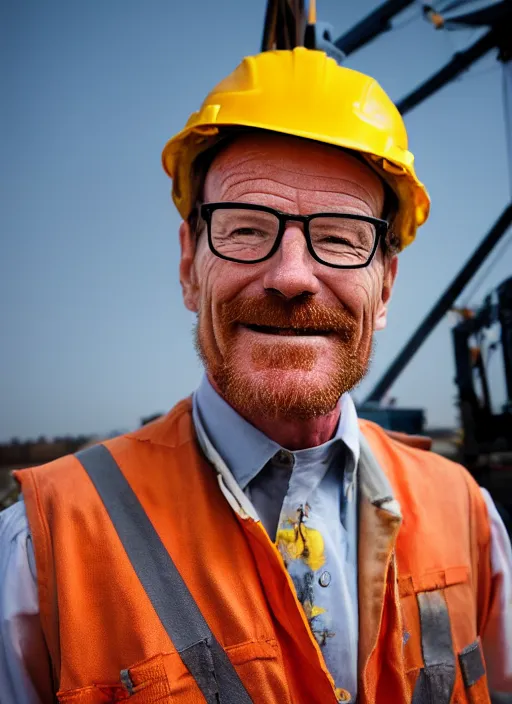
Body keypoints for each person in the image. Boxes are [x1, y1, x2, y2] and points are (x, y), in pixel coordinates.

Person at [1, 48, 511, 704]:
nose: (292, 276)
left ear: (384, 288)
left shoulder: (468, 516)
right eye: (245, 230)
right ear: (189, 266)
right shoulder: (40, 555)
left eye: (340, 236)